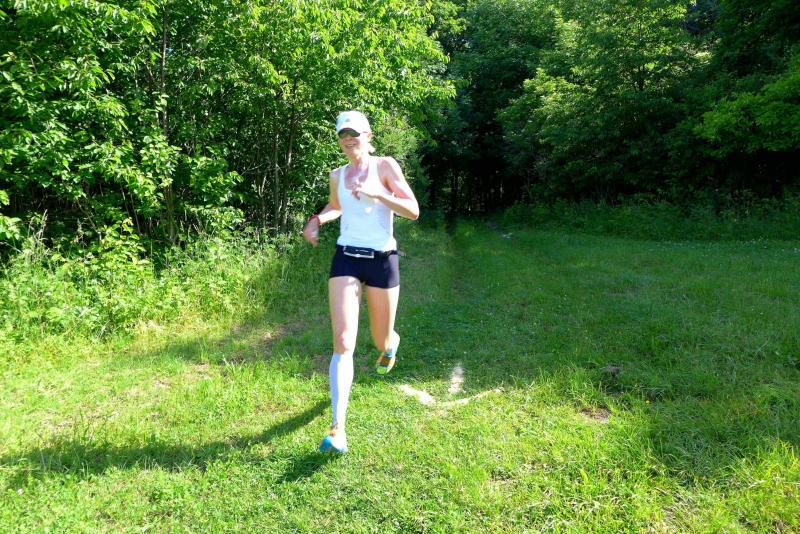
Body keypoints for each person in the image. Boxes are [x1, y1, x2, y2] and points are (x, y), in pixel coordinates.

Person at [303, 110, 420, 453]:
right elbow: (336, 205)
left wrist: (378, 193)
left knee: (380, 339)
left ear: (368, 136)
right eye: (343, 134)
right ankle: (337, 429)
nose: (348, 139)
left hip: (382, 260)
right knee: (343, 341)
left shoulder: (385, 166)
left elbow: (412, 210)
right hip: (347, 258)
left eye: (354, 133)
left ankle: (390, 343)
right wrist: (317, 220)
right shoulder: (337, 174)